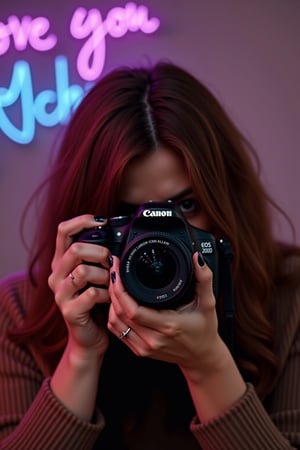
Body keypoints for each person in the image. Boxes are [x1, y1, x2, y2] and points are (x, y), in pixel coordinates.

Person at [0, 61, 299, 450]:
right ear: (89, 223)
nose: (158, 243)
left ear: (225, 199)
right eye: (129, 217)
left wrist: (208, 365)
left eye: (186, 206)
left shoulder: (290, 295)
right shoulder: (21, 311)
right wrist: (81, 356)